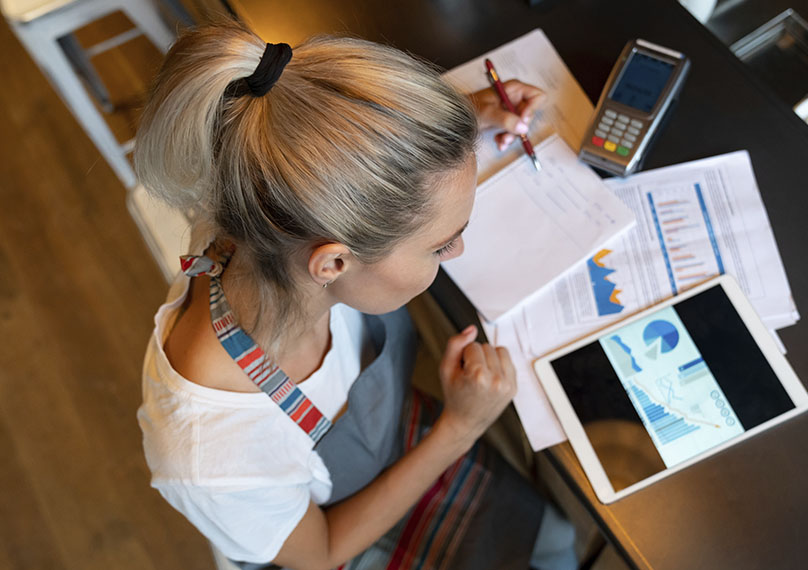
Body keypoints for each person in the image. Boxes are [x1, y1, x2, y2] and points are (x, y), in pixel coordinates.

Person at [134, 21, 576, 570]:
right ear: (334, 262)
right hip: (339, 537)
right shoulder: (213, 454)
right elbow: (319, 554)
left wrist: (457, 120)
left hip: (393, 438)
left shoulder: (264, 215)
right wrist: (459, 428)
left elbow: (315, 144)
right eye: (441, 245)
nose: (458, 251)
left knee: (554, 538)